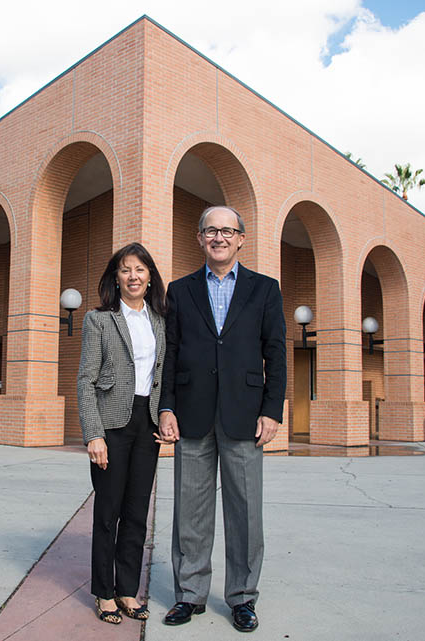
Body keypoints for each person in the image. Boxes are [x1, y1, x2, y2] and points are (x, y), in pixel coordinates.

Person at [158, 205, 286, 633]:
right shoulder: (179, 290)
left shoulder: (265, 290)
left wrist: (272, 410)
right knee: (190, 512)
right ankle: (189, 594)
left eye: (227, 231)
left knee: (245, 512)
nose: (219, 237)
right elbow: (170, 353)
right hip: (192, 414)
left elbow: (277, 354)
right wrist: (167, 406)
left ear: (241, 238)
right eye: (211, 230)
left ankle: (243, 598)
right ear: (199, 238)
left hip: (245, 416)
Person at [77, 242, 170, 624]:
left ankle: (128, 590)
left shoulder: (161, 321)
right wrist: (92, 435)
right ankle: (104, 593)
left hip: (146, 423)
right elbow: (85, 380)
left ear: (150, 278)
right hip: (112, 424)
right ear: (116, 277)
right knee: (108, 511)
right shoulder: (99, 319)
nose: (133, 276)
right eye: (126, 270)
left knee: (136, 512)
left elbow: (164, 375)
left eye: (140, 270)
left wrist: (166, 416)